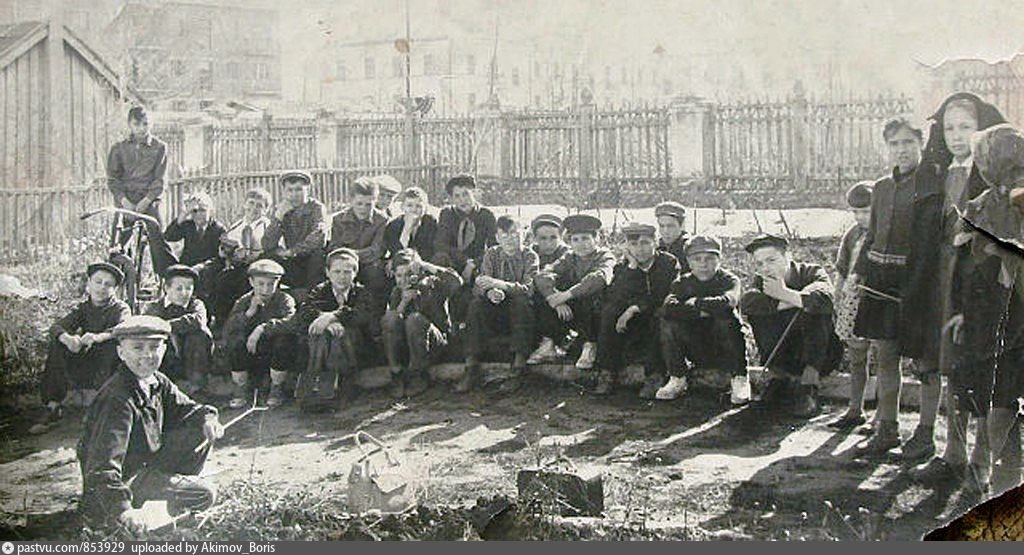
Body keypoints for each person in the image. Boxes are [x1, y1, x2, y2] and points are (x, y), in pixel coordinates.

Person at [906, 94, 1008, 474]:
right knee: (949, 363)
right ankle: (952, 451)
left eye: (965, 127)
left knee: (982, 364)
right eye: (949, 128)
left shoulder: (996, 177)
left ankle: (982, 456)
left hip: (983, 287)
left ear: (983, 129)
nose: (956, 135)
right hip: (942, 284)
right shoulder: (937, 173)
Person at [921, 124, 1024, 500]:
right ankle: (975, 467)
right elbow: (964, 263)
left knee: (1005, 402)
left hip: (1016, 318)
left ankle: (996, 475)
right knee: (978, 388)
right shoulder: (980, 204)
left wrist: (1001, 251)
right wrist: (961, 312)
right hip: (981, 315)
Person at [77, 315, 223, 533]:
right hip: (125, 480)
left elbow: (189, 409)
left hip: (146, 464)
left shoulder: (157, 381)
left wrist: (209, 418)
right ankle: (141, 509)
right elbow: (101, 465)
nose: (147, 355)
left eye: (154, 347)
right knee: (204, 494)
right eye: (137, 348)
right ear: (121, 353)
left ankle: (164, 496)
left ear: (164, 350)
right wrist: (123, 509)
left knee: (199, 428)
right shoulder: (118, 399)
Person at [850, 118, 930, 458]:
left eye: (908, 142)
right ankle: (888, 427)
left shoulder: (932, 185)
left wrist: (920, 285)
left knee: (926, 363)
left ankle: (925, 435)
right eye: (895, 143)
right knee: (886, 357)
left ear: (921, 144)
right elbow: (871, 234)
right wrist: (859, 270)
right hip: (881, 281)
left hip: (919, 281)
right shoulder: (881, 188)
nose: (902, 149)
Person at [740, 234, 842, 417]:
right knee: (760, 310)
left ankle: (809, 386)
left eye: (771, 260)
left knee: (815, 311)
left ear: (788, 256)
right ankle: (777, 377)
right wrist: (796, 299)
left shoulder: (811, 272)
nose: (766, 268)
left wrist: (782, 293)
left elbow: (824, 299)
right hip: (785, 353)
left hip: (821, 354)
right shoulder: (762, 280)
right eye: (760, 264)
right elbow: (748, 302)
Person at [29, 263, 131, 435]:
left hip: (109, 363)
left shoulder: (120, 308)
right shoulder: (82, 308)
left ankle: (100, 410)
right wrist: (68, 339)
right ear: (89, 284)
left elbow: (121, 329)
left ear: (114, 290)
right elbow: (57, 327)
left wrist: (98, 337)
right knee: (58, 343)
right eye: (98, 282)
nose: (102, 287)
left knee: (112, 346)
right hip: (87, 361)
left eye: (108, 284)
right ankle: (54, 407)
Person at [594, 222, 679, 396]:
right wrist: (632, 268)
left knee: (660, 315)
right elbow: (614, 297)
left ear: (655, 243)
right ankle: (607, 372)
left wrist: (633, 308)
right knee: (609, 311)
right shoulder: (623, 267)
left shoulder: (668, 262)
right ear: (627, 247)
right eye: (633, 244)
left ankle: (654, 375)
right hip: (633, 323)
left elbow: (662, 294)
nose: (640, 249)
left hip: (656, 315)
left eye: (645, 243)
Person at [290, 248, 384, 405]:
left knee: (341, 334)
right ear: (327, 272)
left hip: (356, 349)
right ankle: (316, 382)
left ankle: (343, 383)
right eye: (337, 271)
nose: (342, 277)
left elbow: (363, 314)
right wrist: (324, 319)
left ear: (355, 273)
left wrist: (334, 316)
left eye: (347, 272)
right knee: (320, 332)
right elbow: (306, 312)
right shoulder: (320, 290)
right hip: (324, 348)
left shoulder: (361, 292)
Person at [659, 235, 746, 402]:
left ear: (719, 260)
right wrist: (703, 311)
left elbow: (729, 302)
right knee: (668, 323)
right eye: (697, 259)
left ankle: (740, 377)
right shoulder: (682, 283)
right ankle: (677, 377)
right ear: (689, 263)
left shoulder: (729, 280)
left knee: (727, 318)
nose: (703, 264)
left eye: (709, 258)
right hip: (695, 344)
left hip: (724, 346)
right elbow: (668, 308)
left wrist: (696, 303)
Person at [463, 216, 539, 395]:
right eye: (504, 235)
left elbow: (528, 288)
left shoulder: (529, 256)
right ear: (497, 237)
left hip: (519, 312)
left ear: (523, 234)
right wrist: (489, 292)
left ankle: (518, 366)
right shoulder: (492, 254)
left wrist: (499, 284)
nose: (510, 239)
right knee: (476, 304)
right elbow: (480, 283)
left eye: (514, 233)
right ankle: (471, 365)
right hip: (496, 310)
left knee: (521, 302)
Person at [532, 214, 616, 372]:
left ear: (596, 239)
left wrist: (565, 295)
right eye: (575, 240)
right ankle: (549, 344)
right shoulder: (570, 257)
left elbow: (598, 278)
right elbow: (544, 275)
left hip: (598, 312)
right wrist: (554, 298)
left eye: (585, 238)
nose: (581, 244)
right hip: (575, 311)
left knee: (590, 299)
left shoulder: (605, 256)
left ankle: (589, 346)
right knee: (548, 299)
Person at [381, 249, 463, 398]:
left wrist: (425, 265)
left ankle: (419, 375)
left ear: (418, 273)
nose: (404, 280)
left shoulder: (432, 284)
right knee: (390, 318)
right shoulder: (396, 292)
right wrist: (404, 302)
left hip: (434, 344)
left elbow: (456, 282)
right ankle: (396, 372)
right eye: (399, 275)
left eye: (409, 275)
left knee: (415, 319)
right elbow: (390, 324)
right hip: (407, 347)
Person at [828, 181, 876, 430]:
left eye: (866, 211)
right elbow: (842, 269)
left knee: (886, 360)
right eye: (856, 212)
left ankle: (885, 417)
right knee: (858, 357)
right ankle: (855, 409)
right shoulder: (853, 234)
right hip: (854, 301)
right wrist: (838, 296)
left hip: (879, 301)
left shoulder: (886, 234)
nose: (861, 217)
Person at [221, 259, 296, 409]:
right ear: (251, 282)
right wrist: (248, 313)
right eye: (261, 284)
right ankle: (240, 386)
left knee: (285, 340)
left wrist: (262, 328)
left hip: (275, 354)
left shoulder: (284, 299)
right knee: (235, 340)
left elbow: (291, 322)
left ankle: (276, 387)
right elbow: (228, 329)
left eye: (271, 284)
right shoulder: (244, 301)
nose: (266, 289)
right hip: (250, 354)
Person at [433, 174, 497, 323]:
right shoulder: (447, 214)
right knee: (439, 258)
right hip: (455, 262)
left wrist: (473, 263)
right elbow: (440, 244)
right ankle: (442, 318)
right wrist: (465, 261)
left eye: (466, 194)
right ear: (451, 199)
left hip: (478, 263)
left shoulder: (486, 215)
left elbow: (494, 247)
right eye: (457, 196)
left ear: (474, 193)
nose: (462, 200)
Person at [143, 265, 213, 395]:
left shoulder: (196, 305)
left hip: (192, 359)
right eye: (179, 288)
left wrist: (167, 326)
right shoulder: (154, 307)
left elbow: (197, 320)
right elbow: (150, 324)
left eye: (188, 288)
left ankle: (197, 388)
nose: (184, 293)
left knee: (200, 334)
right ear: (166, 288)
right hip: (167, 358)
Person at [263, 171, 327, 302]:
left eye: (298, 189)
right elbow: (267, 244)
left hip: (311, 260)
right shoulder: (283, 209)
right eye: (290, 190)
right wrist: (278, 217)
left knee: (317, 255)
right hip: (294, 262)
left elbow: (318, 237)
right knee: (267, 257)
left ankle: (312, 299)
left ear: (307, 189)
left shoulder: (316, 208)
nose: (294, 194)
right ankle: (269, 298)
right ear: (284, 191)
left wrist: (292, 251)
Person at [106, 106, 168, 237]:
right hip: (126, 201)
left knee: (159, 241)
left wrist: (146, 201)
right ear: (129, 124)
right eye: (136, 124)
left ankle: (161, 254)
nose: (141, 128)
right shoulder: (118, 148)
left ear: (151, 124)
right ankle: (120, 254)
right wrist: (124, 201)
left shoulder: (159, 147)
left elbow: (160, 179)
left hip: (149, 200)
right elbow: (113, 180)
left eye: (145, 124)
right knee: (117, 245)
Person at [327, 177, 389, 296]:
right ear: (351, 200)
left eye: (368, 204)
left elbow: (377, 250)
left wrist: (351, 255)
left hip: (369, 264)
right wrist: (347, 261)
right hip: (343, 263)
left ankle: (374, 309)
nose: (363, 208)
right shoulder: (339, 219)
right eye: (359, 203)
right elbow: (334, 247)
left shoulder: (381, 220)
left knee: (376, 272)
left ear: (375, 201)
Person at [196, 235, 251, 335]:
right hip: (214, 305)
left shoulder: (244, 270)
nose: (222, 249)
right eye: (222, 246)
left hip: (231, 309)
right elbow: (211, 264)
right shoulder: (216, 264)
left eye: (227, 247)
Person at [163, 192, 227, 267]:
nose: (198, 214)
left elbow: (221, 257)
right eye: (194, 211)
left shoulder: (218, 229)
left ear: (211, 212)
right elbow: (168, 236)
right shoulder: (189, 225)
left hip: (208, 269)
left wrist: (203, 266)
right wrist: (184, 213)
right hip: (187, 268)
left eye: (202, 210)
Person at [384, 186, 438, 262]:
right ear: (402, 207)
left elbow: (431, 249)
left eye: (418, 206)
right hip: (401, 264)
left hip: (424, 262)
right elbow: (397, 252)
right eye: (409, 205)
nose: (414, 210)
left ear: (425, 208)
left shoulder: (431, 222)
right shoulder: (394, 225)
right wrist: (407, 229)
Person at [224, 188, 275, 264]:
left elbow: (275, 253)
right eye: (251, 203)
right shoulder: (235, 228)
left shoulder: (269, 228)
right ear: (244, 204)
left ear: (266, 210)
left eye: (259, 205)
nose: (254, 208)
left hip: (261, 268)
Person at [654, 201, 691, 274]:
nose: (665, 231)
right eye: (662, 226)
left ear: (682, 226)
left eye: (670, 226)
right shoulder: (656, 247)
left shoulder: (689, 248)